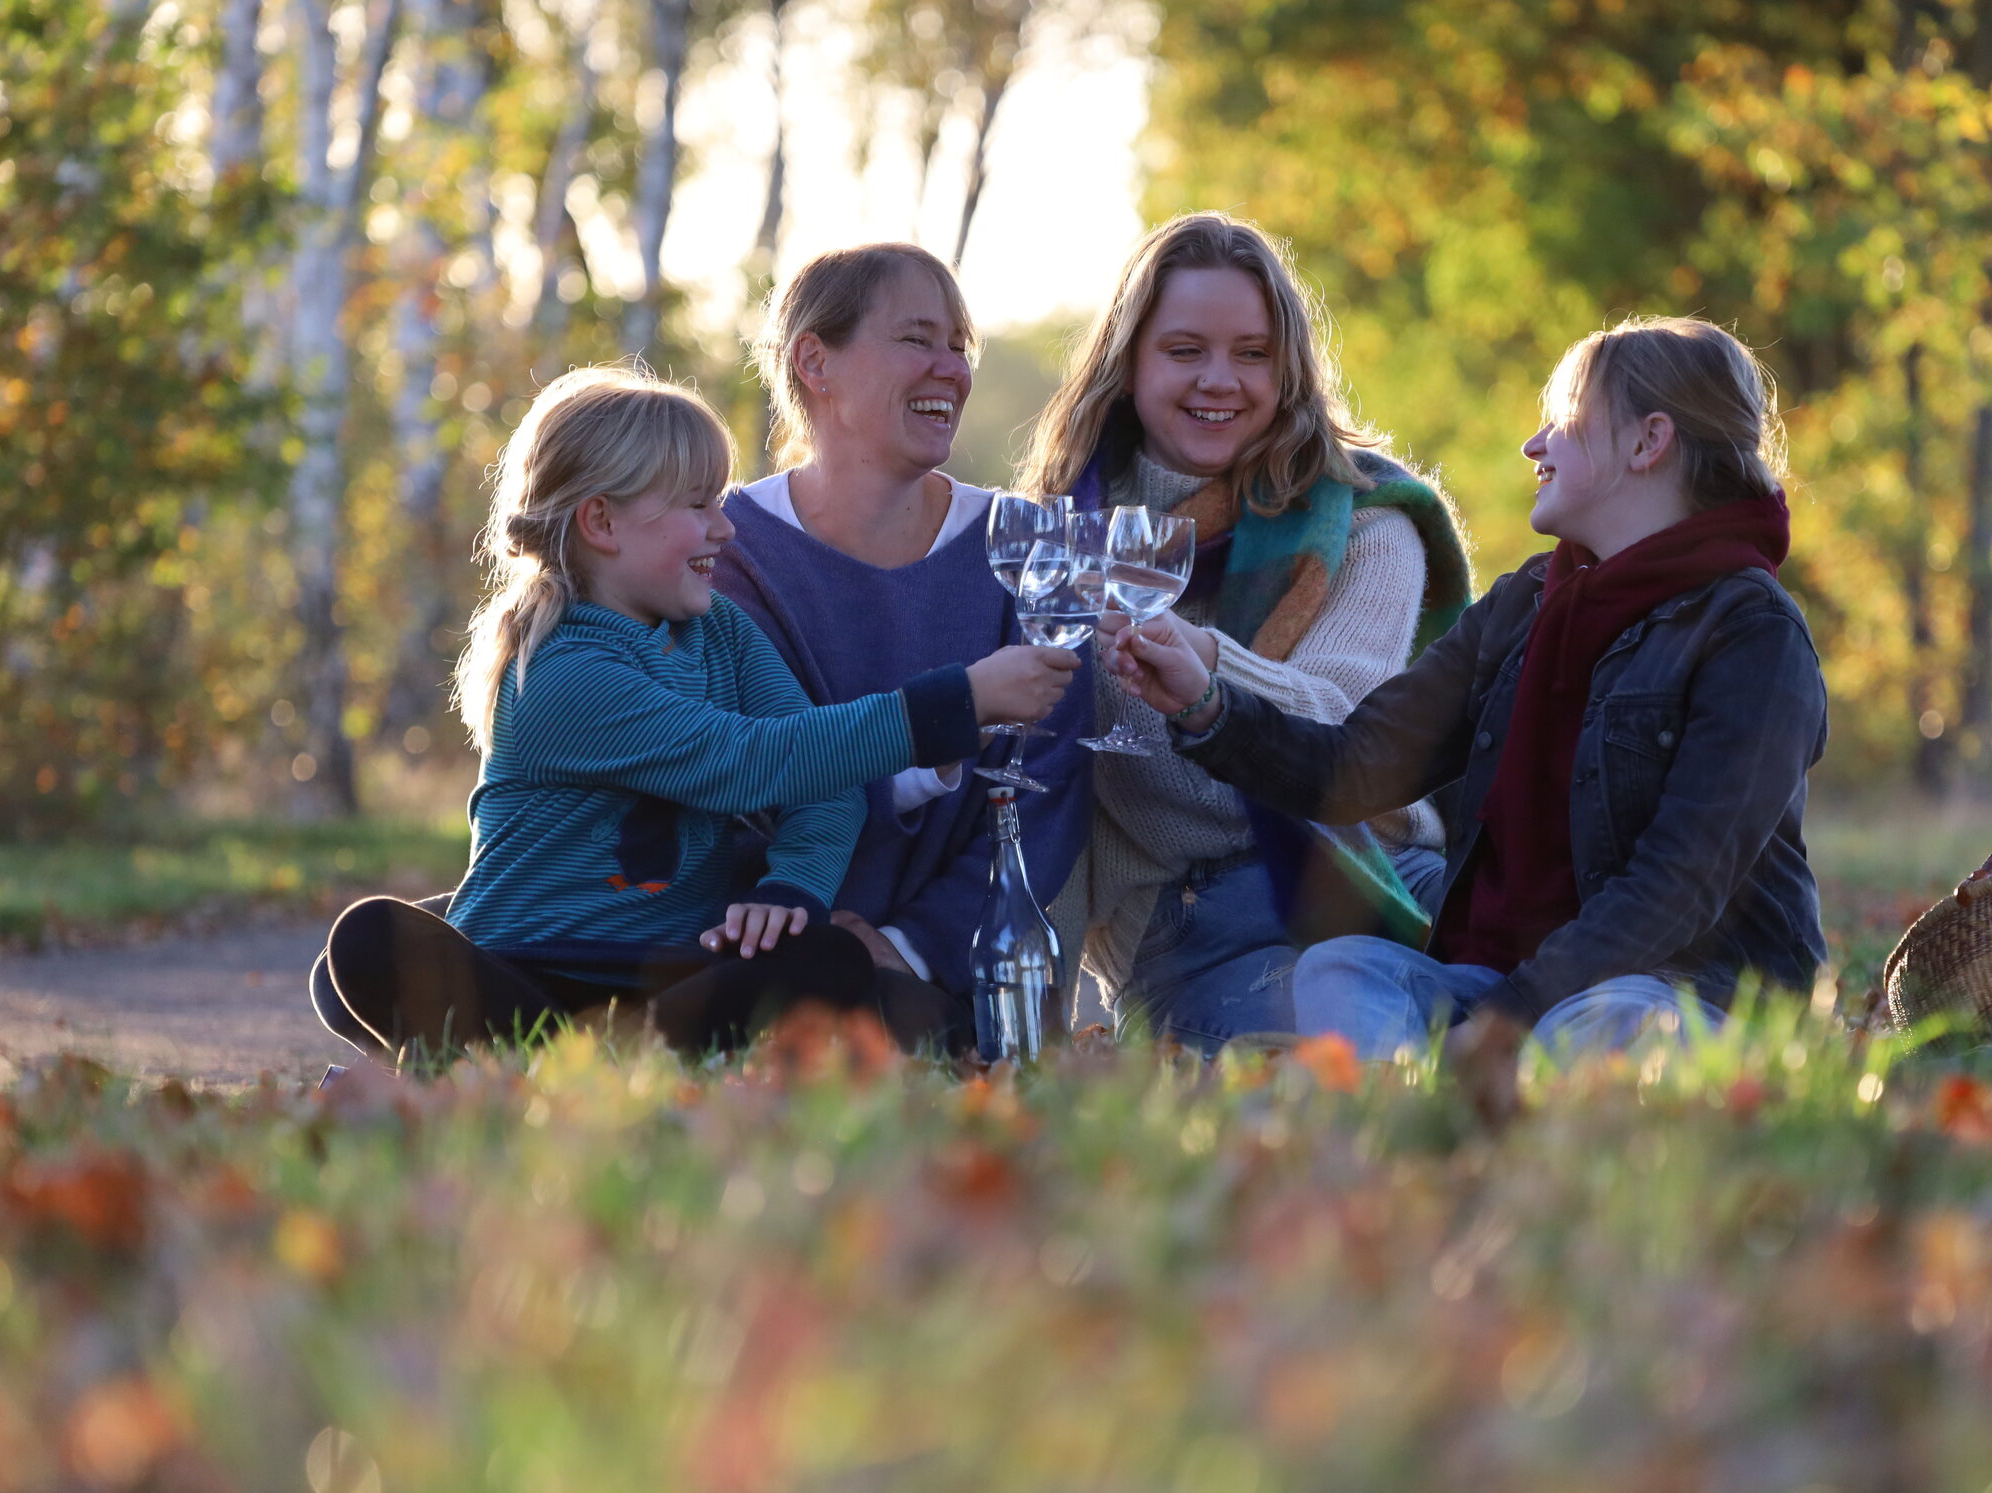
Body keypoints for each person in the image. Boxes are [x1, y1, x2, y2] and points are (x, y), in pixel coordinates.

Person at [1102, 314, 1826, 1066]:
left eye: (1565, 422)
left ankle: (1487, 1087)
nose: (1534, 445)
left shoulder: (1752, 631)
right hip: (1509, 985)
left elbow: (1680, 884)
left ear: (1649, 442)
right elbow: (1358, 766)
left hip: (1679, 986)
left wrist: (1507, 1016)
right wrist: (1206, 704)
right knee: (1343, 967)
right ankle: (1408, 1115)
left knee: (1613, 1021)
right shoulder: (1528, 604)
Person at [312, 363, 1075, 1061]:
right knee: (370, 938)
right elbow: (748, 761)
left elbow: (824, 785)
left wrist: (791, 894)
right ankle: (585, 1066)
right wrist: (957, 700)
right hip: (528, 963)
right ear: (602, 523)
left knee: (832, 963)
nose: (724, 526)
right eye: (696, 506)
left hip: (669, 972)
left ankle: (568, 1064)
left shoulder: (721, 632)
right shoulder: (559, 670)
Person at [1016, 211, 1472, 1052]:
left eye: (1252, 353)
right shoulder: (1057, 545)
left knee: (1541, 1020)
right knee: (1334, 1068)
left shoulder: (1367, 520)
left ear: (1288, 368)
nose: (1220, 380)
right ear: (1128, 365)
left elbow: (1348, 727)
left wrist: (1207, 669)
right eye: (1185, 351)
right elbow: (1048, 790)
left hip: (1385, 877)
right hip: (1195, 913)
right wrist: (1040, 1020)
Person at [716, 243, 1091, 1052]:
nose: (951, 370)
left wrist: (910, 945)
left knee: (881, 1031)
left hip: (950, 977)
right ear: (815, 361)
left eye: (961, 347)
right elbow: (733, 774)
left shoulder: (1026, 546)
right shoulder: (727, 550)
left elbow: (1047, 791)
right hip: (756, 944)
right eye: (918, 339)